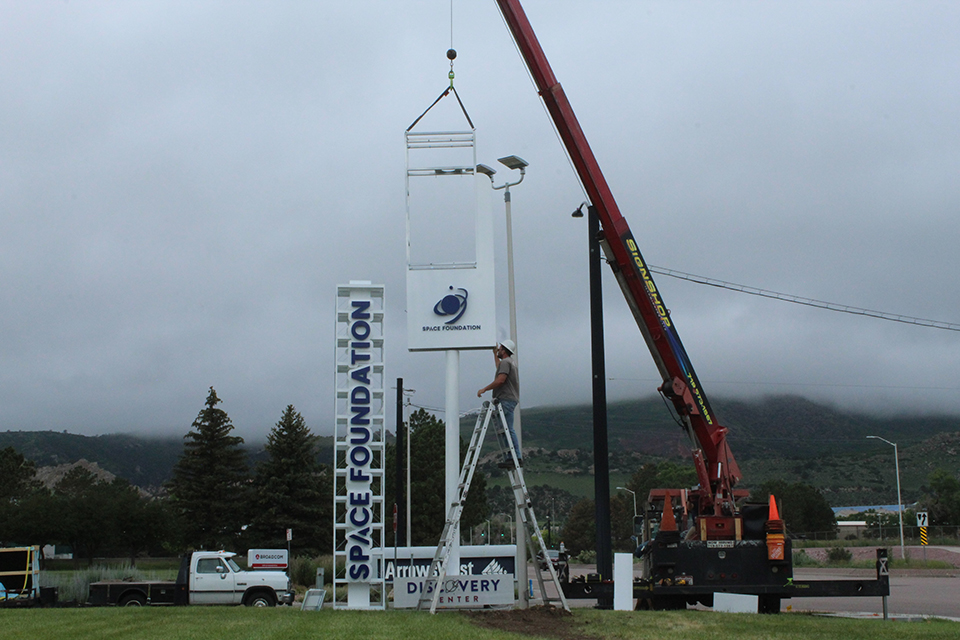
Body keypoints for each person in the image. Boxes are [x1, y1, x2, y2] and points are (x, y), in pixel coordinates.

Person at [477, 339, 521, 463]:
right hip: (509, 399)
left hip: (505, 399)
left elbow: (500, 379)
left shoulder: (506, 363)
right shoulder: (509, 362)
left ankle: (514, 457)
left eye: (500, 348)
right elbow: (499, 368)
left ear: (504, 351)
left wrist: (484, 388)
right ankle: (511, 457)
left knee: (507, 429)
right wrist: (494, 354)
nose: (498, 350)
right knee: (506, 429)